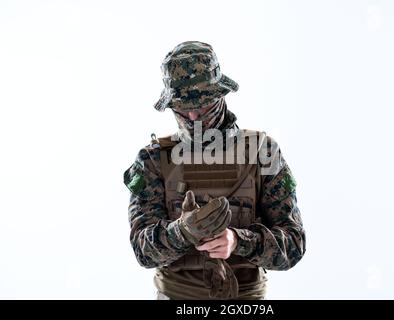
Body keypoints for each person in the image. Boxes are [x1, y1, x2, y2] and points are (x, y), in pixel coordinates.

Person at [123, 41, 306, 300]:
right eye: (183, 109)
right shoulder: (153, 159)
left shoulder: (262, 152)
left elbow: (293, 245)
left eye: (203, 106)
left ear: (221, 95)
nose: (194, 117)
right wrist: (182, 232)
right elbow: (143, 251)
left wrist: (238, 241)